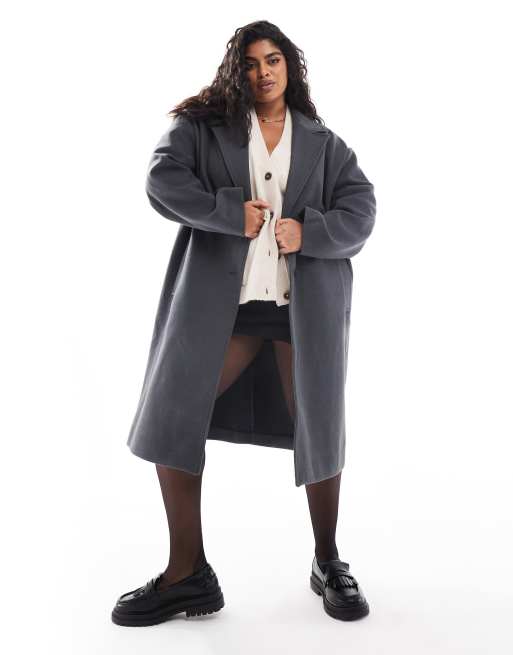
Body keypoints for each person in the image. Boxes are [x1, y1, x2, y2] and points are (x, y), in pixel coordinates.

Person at [112, 20, 376, 627]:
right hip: (222, 306)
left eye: (273, 60)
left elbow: (362, 209)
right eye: (252, 63)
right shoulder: (201, 129)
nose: (263, 72)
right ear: (238, 71)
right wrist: (228, 214)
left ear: (290, 67)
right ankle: (187, 572)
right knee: (173, 415)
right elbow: (161, 180)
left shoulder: (325, 143)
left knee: (319, 425)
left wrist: (312, 233)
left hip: (300, 308)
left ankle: (328, 561)